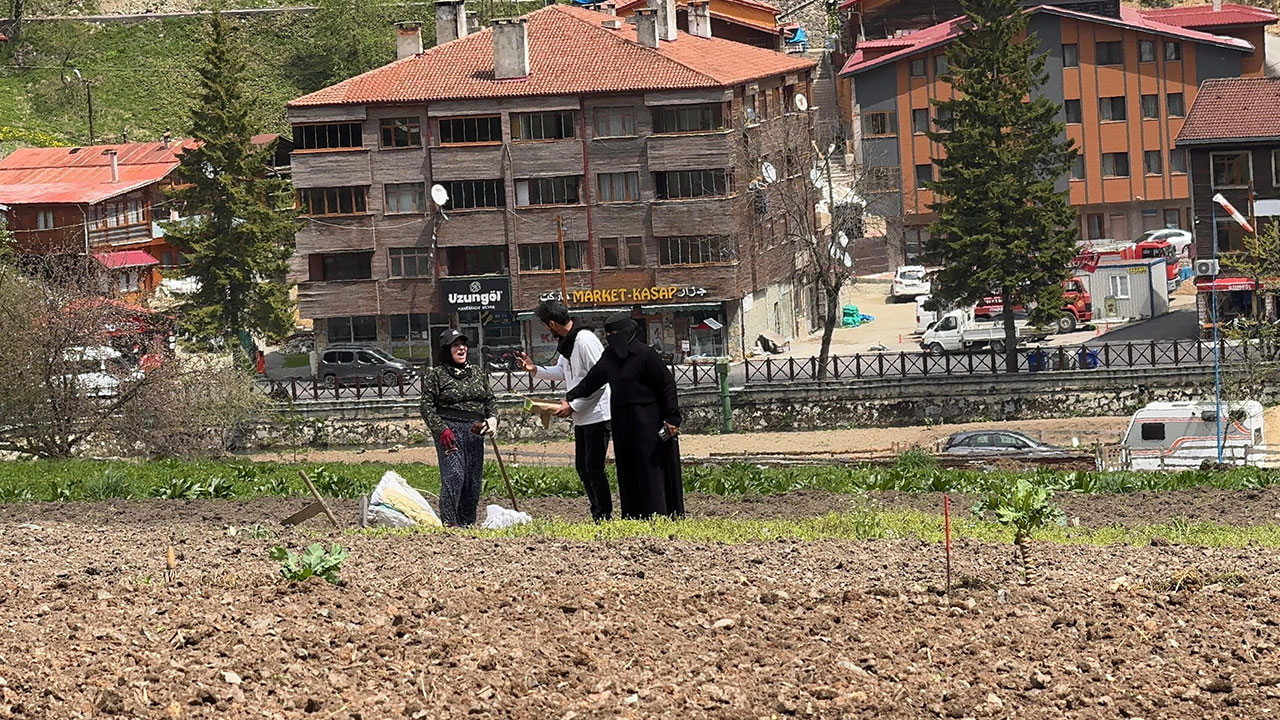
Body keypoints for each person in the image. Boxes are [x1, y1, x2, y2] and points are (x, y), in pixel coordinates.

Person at [565, 313, 683, 519]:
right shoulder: (610, 357)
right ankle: (633, 515)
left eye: (616, 333)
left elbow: (667, 385)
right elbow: (591, 381)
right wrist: (570, 397)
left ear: (628, 332)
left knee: (650, 466)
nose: (612, 338)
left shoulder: (646, 355)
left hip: (648, 419)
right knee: (627, 467)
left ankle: (657, 513)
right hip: (621, 421)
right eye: (608, 334)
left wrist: (672, 418)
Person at [518, 300, 613, 521]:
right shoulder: (568, 342)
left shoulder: (585, 341)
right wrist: (535, 370)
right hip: (581, 416)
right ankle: (597, 513)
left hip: (597, 414)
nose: (547, 329)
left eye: (545, 325)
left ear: (552, 323)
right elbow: (563, 371)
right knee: (583, 469)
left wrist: (573, 405)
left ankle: (604, 515)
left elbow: (600, 379)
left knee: (594, 469)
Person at [420, 329, 498, 527]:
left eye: (463, 344)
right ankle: (450, 521)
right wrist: (441, 430)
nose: (461, 348)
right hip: (449, 432)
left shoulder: (477, 373)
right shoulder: (436, 375)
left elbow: (490, 400)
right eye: (455, 345)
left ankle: (467, 522)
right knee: (455, 474)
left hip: (474, 431)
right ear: (447, 350)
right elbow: (426, 407)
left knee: (472, 479)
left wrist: (492, 419)